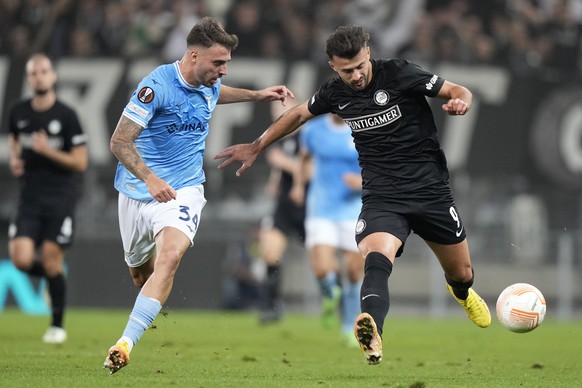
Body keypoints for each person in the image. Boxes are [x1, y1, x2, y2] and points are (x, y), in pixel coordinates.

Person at [215, 24, 491, 366]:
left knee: (462, 273)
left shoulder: (400, 73)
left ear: (368, 54)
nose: (357, 75)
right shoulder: (335, 93)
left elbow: (458, 89)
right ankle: (372, 331)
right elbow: (298, 115)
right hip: (383, 197)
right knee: (376, 256)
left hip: (431, 193)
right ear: (333, 66)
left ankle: (461, 293)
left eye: (360, 66)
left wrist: (461, 101)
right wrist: (257, 145)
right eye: (347, 70)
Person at [102, 16, 294, 374]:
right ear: (193, 56)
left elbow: (218, 93)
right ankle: (146, 303)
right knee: (140, 276)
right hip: (138, 190)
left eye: (227, 64)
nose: (223, 71)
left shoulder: (210, 83)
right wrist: (148, 178)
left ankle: (124, 344)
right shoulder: (155, 87)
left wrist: (258, 94)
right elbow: (119, 141)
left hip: (184, 189)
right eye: (217, 63)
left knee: (171, 256)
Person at [7, 53, 88, 344]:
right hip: (29, 197)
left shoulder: (67, 116)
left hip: (60, 198)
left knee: (52, 262)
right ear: (29, 79)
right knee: (20, 259)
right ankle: (54, 281)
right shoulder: (17, 111)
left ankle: (56, 325)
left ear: (52, 76)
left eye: (44, 71)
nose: (39, 76)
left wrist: (46, 151)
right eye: (33, 72)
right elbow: (15, 140)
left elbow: (81, 162)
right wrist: (16, 160)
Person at [289, 113, 363, 344]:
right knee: (322, 268)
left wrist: (362, 182)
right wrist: (299, 185)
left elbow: (381, 166)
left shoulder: (363, 128)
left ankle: (349, 326)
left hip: (354, 209)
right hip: (321, 208)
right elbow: (304, 158)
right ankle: (330, 293)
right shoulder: (313, 130)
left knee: (353, 272)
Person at [256, 129, 307, 324]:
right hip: (284, 208)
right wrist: (274, 181)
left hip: (310, 207)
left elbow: (313, 169)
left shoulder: (309, 137)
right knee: (270, 253)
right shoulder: (279, 140)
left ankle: (339, 301)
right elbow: (277, 165)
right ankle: (271, 306)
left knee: (324, 261)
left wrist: (282, 162)